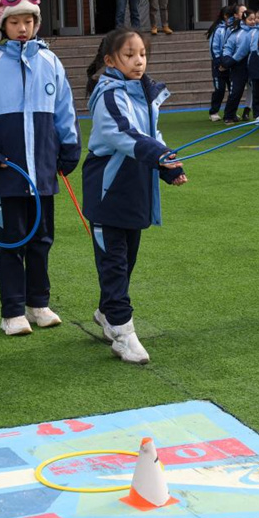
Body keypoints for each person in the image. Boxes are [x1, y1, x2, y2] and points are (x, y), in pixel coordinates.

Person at [0, 0, 81, 336]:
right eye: (15, 21)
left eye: (29, 20)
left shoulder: (50, 61)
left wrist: (69, 146)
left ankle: (38, 303)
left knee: (42, 239)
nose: (23, 27)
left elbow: (65, 108)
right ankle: (12, 310)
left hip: (42, 169)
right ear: (2, 24)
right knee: (11, 240)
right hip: (5, 169)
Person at [82, 28, 187, 364]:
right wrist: (159, 155)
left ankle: (106, 311)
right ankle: (123, 332)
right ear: (110, 60)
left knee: (126, 261)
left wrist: (167, 166)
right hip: (108, 190)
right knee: (114, 263)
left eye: (142, 53)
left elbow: (151, 133)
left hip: (135, 190)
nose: (138, 60)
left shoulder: (144, 92)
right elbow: (122, 134)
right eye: (129, 55)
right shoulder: (108, 93)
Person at [220, 9, 256, 125]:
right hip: (239, 65)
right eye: (250, 19)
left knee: (257, 91)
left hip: (253, 64)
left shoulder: (257, 31)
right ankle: (229, 115)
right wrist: (227, 60)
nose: (253, 22)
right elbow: (228, 47)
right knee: (236, 91)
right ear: (244, 20)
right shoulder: (237, 32)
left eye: (255, 19)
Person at [207, 5, 234, 122]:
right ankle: (214, 111)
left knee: (233, 90)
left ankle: (230, 112)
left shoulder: (233, 28)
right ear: (226, 16)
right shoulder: (218, 29)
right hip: (218, 64)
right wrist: (219, 63)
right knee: (220, 89)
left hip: (230, 63)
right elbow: (214, 47)